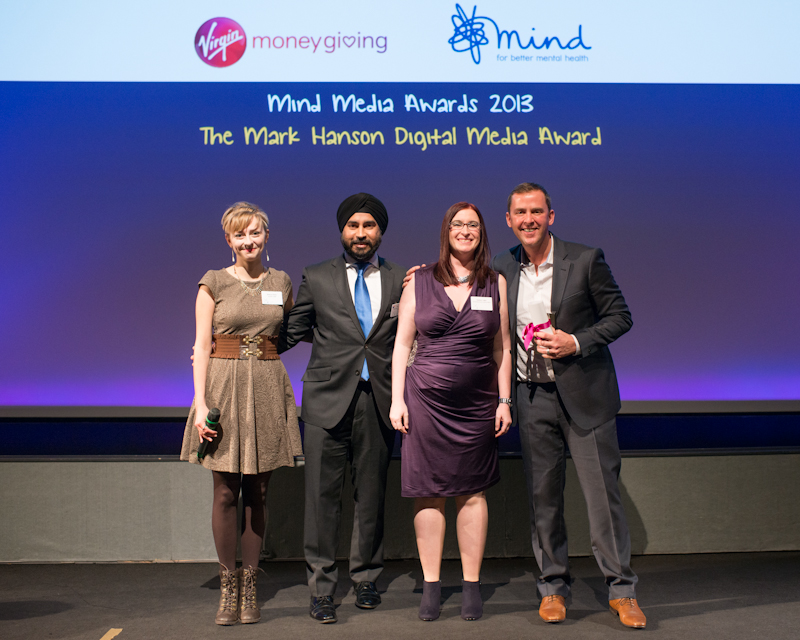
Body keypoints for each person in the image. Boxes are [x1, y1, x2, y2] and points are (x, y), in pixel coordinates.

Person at [491, 183, 645, 628]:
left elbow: (621, 316)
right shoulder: (502, 265)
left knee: (602, 501)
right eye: (520, 213)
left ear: (551, 216)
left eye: (536, 211)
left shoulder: (585, 258)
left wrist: (575, 341)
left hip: (586, 398)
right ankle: (553, 587)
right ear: (509, 220)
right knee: (544, 501)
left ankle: (622, 591)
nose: (528, 220)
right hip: (532, 396)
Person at [278, 193, 405, 624]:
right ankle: (322, 588)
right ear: (342, 231)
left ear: (380, 231)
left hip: (379, 399)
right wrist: (231, 343)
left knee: (371, 495)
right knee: (321, 499)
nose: (361, 233)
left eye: (369, 225)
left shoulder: (402, 278)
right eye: (354, 226)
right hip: (325, 401)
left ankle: (366, 577)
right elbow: (293, 331)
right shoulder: (316, 276)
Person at [180, 202, 303, 626]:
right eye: (239, 235)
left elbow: (291, 332)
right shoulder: (212, 283)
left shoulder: (282, 282)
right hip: (223, 387)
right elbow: (200, 347)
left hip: (267, 384)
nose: (248, 241)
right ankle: (228, 586)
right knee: (225, 491)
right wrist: (199, 403)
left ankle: (251, 587)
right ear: (228, 240)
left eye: (255, 232)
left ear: (267, 235)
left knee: (259, 492)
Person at [390, 202, 512, 622]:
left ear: (482, 232)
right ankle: (431, 585)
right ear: (446, 231)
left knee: (472, 491)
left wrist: (504, 399)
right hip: (424, 400)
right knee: (428, 490)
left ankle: (472, 585)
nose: (465, 231)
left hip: (477, 404)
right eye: (457, 224)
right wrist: (396, 399)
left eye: (472, 225)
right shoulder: (419, 280)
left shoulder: (495, 282)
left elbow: (503, 347)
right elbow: (402, 344)